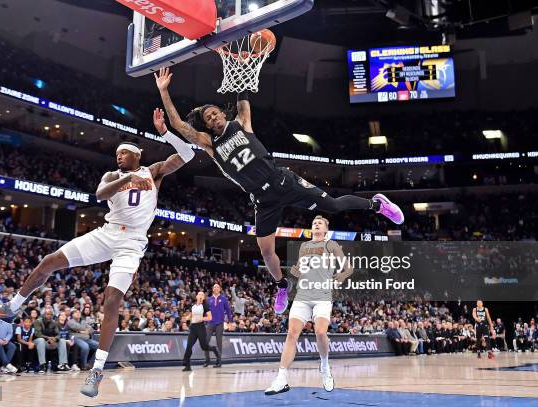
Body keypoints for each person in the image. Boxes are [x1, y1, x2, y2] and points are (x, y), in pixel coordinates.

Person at [0, 109, 195, 397]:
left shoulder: (153, 172)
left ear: (137, 157)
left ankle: (96, 372)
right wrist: (127, 181)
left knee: (111, 301)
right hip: (106, 233)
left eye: (124, 153)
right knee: (49, 261)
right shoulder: (111, 175)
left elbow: (188, 155)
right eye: (117, 153)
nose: (119, 156)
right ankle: (13, 306)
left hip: (131, 243)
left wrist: (167, 133)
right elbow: (101, 194)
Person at [154, 67, 404, 315]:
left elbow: (243, 92)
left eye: (216, 113)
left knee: (335, 207)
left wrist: (241, 63)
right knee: (265, 251)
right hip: (263, 200)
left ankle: (378, 205)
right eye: (209, 118)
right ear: (206, 125)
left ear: (223, 113)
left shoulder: (241, 122)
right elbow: (177, 123)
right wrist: (164, 91)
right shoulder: (209, 144)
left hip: (283, 181)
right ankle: (282, 286)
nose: (214, 119)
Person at [265, 215, 353, 395]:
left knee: (320, 332)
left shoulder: (332, 245)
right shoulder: (304, 246)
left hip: (322, 295)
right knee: (291, 334)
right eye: (314, 223)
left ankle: (325, 366)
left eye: (320, 223)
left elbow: (348, 268)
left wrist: (342, 276)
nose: (316, 224)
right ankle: (281, 378)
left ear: (326, 229)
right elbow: (300, 269)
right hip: (302, 296)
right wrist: (295, 271)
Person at [182, 291, 220, 371]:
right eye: (199, 294)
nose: (200, 296)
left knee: (204, 347)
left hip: (201, 328)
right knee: (189, 346)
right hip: (193, 327)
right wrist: (187, 317)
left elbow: (210, 317)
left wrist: (202, 318)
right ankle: (187, 365)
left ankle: (214, 349)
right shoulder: (193, 306)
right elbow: (191, 315)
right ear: (196, 296)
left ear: (203, 298)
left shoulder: (205, 306)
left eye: (202, 295)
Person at [204, 283, 232, 368]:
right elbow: (205, 311)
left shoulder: (224, 299)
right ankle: (207, 360)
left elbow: (228, 310)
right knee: (205, 342)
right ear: (212, 289)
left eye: (217, 287)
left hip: (220, 323)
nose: (216, 288)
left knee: (219, 343)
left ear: (220, 289)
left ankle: (218, 361)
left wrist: (230, 321)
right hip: (210, 323)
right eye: (214, 287)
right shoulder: (208, 299)